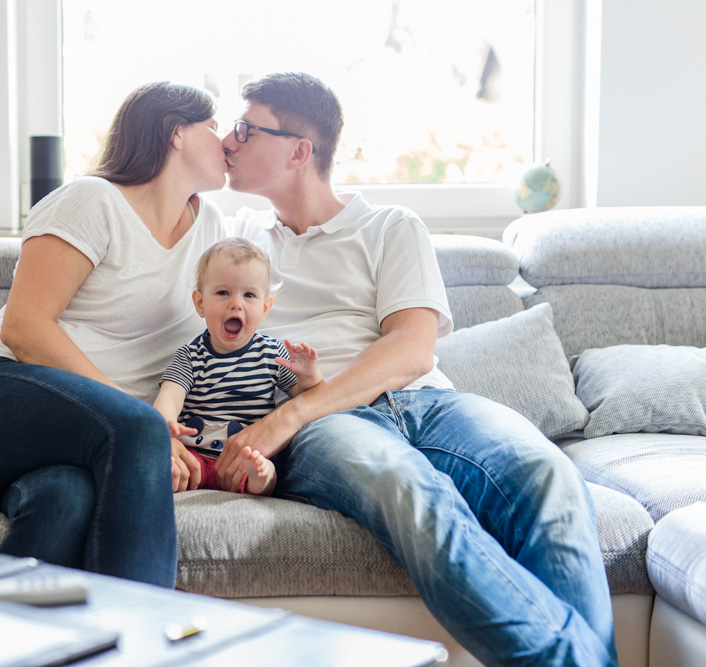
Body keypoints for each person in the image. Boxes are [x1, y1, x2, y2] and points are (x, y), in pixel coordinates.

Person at [212, 72, 619, 666]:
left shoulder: (390, 226)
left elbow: (410, 350)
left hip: (425, 404)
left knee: (550, 477)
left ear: (300, 151)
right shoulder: (239, 239)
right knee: (411, 492)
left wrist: (289, 415)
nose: (229, 139)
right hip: (330, 428)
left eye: (247, 128)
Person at [0, 81, 227, 587]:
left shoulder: (212, 227)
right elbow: (24, 327)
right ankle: (143, 643)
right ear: (176, 132)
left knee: (66, 499)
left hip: (75, 444)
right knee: (137, 430)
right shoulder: (92, 201)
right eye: (214, 127)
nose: (226, 142)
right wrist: (145, 426)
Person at [153, 236, 322, 496]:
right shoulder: (190, 356)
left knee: (264, 467)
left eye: (249, 295)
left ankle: (260, 478)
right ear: (200, 303)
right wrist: (166, 423)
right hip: (194, 455)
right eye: (223, 293)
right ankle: (173, 479)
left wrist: (309, 377)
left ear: (265, 308)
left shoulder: (272, 354)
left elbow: (307, 398)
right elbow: (170, 395)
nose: (236, 303)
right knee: (171, 467)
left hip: (243, 458)